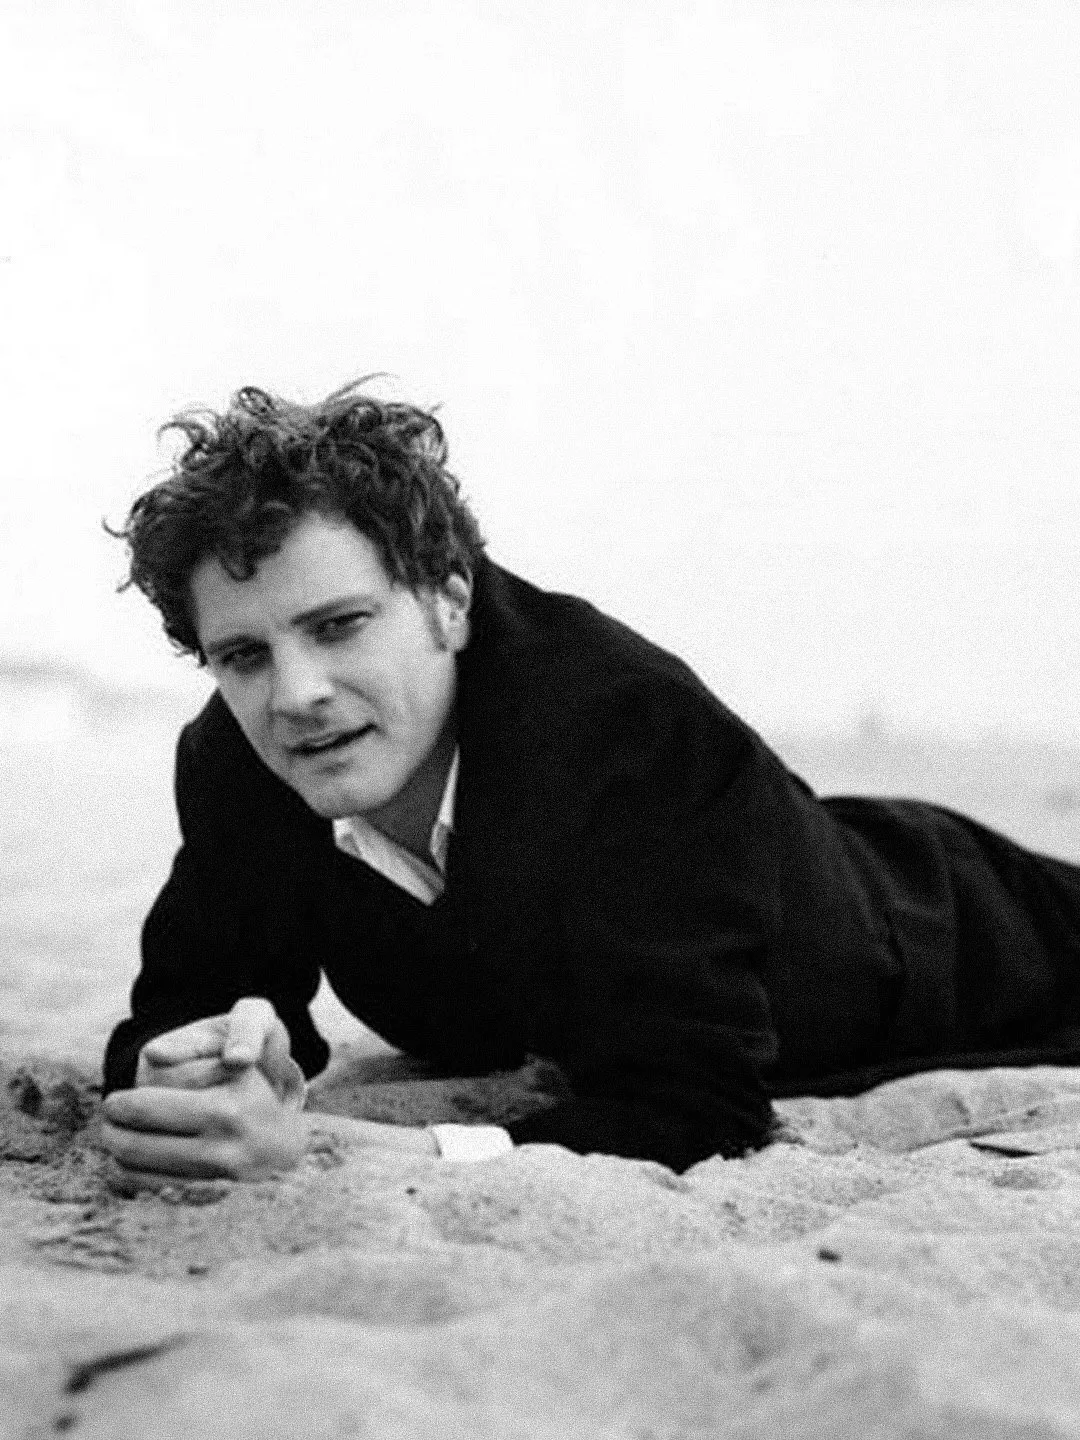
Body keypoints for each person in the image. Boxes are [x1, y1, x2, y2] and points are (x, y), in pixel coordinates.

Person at [100, 381, 1080, 1179]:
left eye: (340, 625)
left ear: (449, 601)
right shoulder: (242, 759)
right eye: (243, 654)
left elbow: (695, 1109)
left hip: (952, 934)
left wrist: (325, 1146)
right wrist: (202, 1066)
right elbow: (182, 1010)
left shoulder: (630, 731)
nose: (296, 694)